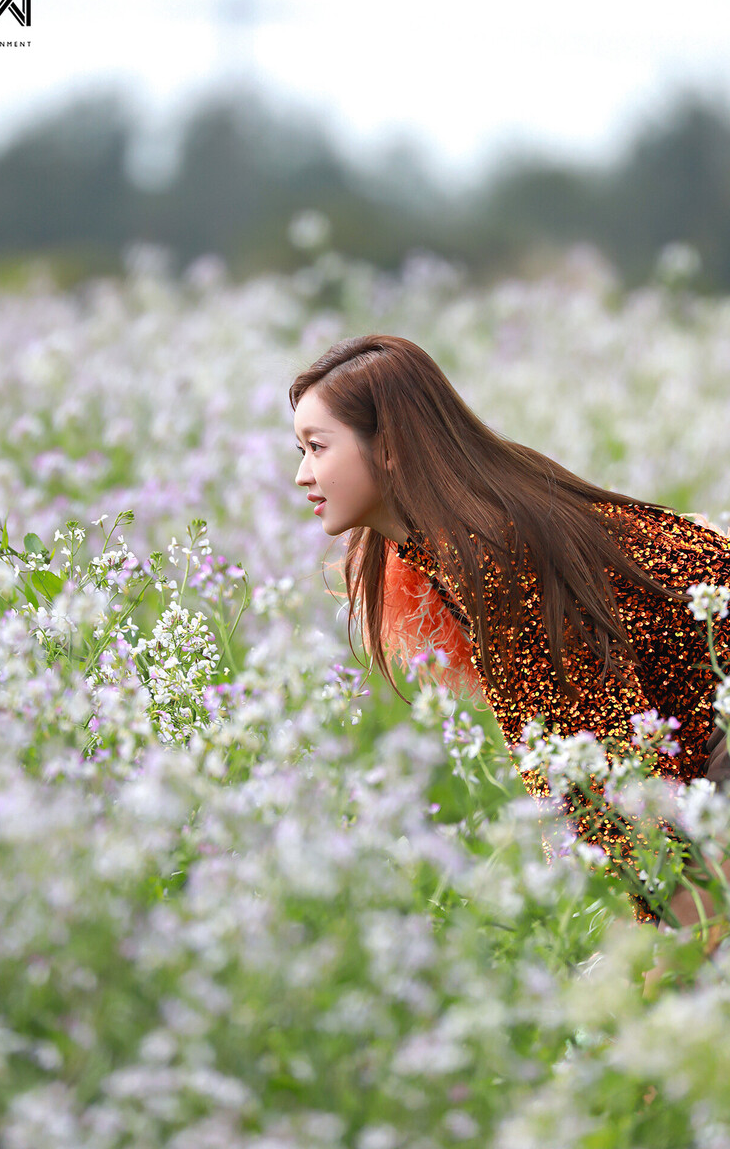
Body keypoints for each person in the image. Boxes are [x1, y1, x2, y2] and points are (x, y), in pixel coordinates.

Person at [291, 333, 730, 945]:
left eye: (317, 447)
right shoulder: (446, 548)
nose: (301, 474)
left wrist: (657, 964)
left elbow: (612, 781)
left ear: (388, 448)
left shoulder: (493, 555)